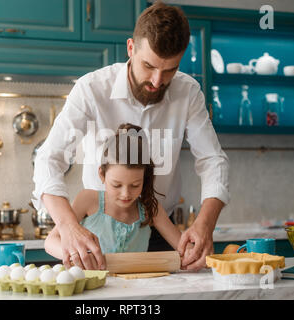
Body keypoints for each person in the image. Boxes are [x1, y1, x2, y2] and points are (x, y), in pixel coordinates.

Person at [32, 1, 230, 271]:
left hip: (159, 233)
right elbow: (48, 159)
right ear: (130, 48)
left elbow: (212, 160)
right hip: (94, 240)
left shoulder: (188, 92)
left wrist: (204, 224)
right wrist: (68, 226)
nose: (158, 81)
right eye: (149, 65)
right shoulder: (91, 89)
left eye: (170, 69)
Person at [44, 124, 194, 268]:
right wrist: (76, 255)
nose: (126, 194)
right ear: (102, 174)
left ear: (145, 178)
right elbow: (51, 241)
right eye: (116, 185)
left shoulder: (150, 208)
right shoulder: (88, 200)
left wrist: (193, 252)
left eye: (135, 185)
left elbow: (183, 248)